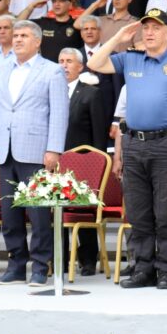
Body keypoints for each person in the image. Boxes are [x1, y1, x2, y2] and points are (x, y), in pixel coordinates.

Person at [87, 9, 167, 290]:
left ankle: (165, 269)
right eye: (145, 28)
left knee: (164, 210)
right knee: (137, 212)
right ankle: (143, 268)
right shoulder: (131, 58)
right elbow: (94, 64)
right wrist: (117, 38)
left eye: (155, 28)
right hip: (133, 144)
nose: (149, 33)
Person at [0, 20, 69, 287]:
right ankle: (16, 265)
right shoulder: (1, 69)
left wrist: (54, 148)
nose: (17, 39)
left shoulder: (52, 71)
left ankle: (41, 266)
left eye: (23, 35)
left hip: (35, 151)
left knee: (39, 213)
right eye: (15, 35)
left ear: (37, 41)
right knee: (9, 214)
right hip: (5, 149)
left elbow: (59, 112)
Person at [60, 47, 107, 276]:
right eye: (60, 61)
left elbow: (99, 133)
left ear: (80, 66)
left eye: (69, 61)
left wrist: (97, 165)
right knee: (56, 212)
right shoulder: (49, 90)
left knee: (83, 211)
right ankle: (59, 258)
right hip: (55, 164)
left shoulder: (91, 93)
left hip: (84, 164)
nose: (64, 65)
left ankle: (88, 259)